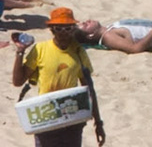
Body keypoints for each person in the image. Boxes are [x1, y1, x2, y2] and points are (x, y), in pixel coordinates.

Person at [10, 8, 101, 147]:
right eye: (59, 28)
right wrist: (20, 52)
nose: (63, 33)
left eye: (68, 28)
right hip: (47, 115)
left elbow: (89, 87)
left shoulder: (78, 51)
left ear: (73, 29)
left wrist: (98, 122)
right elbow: (18, 81)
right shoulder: (40, 50)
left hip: (72, 114)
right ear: (51, 29)